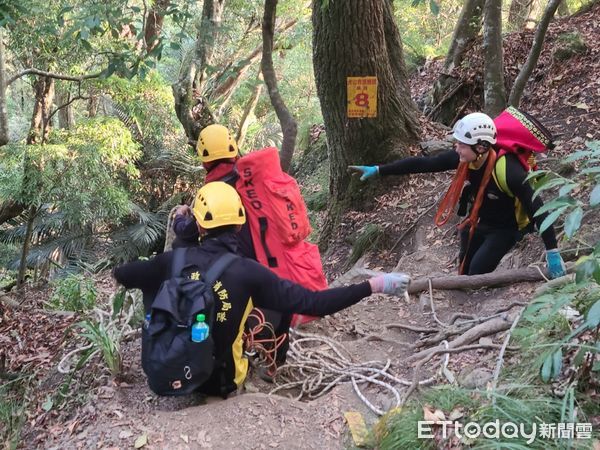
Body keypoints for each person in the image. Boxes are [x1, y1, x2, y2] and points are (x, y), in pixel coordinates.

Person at [113, 182, 411, 397]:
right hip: (220, 382)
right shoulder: (248, 272)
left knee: (155, 288)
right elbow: (315, 303)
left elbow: (123, 274)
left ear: (199, 225)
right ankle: (272, 365)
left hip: (163, 370)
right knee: (279, 305)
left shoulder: (169, 261)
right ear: (240, 223)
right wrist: (373, 285)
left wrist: (180, 243)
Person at [348, 110, 566, 278]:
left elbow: (537, 208)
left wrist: (552, 252)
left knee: (475, 275)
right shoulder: (465, 157)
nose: (457, 149)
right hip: (478, 222)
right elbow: (425, 164)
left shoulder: (509, 171)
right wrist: (379, 170)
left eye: (462, 145)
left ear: (481, 147)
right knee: (463, 269)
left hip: (505, 230)